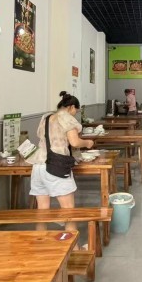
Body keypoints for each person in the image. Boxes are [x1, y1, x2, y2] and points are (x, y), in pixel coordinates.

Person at [27, 91, 94, 236]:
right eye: (76, 111)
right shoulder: (66, 118)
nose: (75, 114)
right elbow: (75, 142)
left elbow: (42, 137)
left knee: (42, 211)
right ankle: (74, 247)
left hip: (38, 166)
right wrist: (88, 143)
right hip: (56, 166)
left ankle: (40, 242)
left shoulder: (46, 117)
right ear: (71, 107)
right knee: (68, 211)